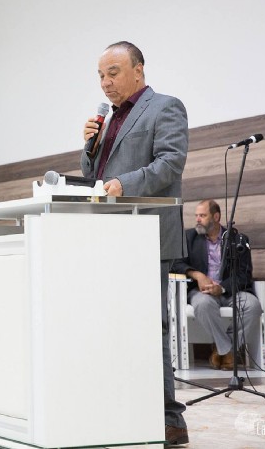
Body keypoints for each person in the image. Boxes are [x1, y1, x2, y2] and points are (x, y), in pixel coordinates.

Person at [81, 41, 189, 446]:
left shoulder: (165, 107)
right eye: (100, 75)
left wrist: (124, 184)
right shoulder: (108, 119)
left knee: (149, 327)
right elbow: (94, 175)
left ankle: (169, 420)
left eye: (113, 72)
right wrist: (89, 147)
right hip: (110, 236)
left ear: (138, 70)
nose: (105, 82)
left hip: (146, 236)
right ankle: (122, 408)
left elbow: (170, 163)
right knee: (115, 326)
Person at [171, 199, 262, 370]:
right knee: (203, 305)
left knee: (253, 306)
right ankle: (228, 351)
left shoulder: (237, 239)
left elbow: (244, 274)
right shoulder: (189, 237)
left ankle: (222, 350)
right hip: (202, 291)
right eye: (196, 215)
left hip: (230, 290)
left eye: (202, 215)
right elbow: (175, 263)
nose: (198, 219)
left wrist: (222, 288)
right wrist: (197, 275)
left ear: (216, 217)